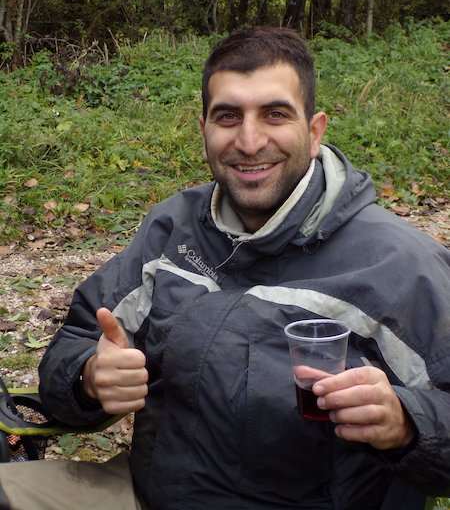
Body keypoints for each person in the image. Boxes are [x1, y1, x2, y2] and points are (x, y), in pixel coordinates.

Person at [0, 26, 449, 510]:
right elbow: (79, 339)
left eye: (275, 114)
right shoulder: (172, 227)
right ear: (204, 131)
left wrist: (406, 424)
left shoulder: (401, 264)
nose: (249, 141)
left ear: (314, 131)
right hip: (146, 495)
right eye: (228, 116)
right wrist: (88, 379)